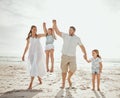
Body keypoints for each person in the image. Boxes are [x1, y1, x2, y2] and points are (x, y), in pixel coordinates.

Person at [52, 20, 87, 89]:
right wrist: (55, 24)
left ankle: (69, 78)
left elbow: (82, 46)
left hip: (72, 57)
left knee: (73, 69)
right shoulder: (65, 35)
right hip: (64, 56)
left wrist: (85, 54)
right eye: (69, 30)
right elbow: (57, 32)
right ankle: (63, 84)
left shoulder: (77, 38)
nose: (69, 31)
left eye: (71, 30)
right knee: (64, 71)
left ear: (74, 31)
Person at [22, 25, 46, 89]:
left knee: (34, 67)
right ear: (31, 29)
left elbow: (46, 34)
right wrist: (23, 54)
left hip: (38, 54)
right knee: (34, 67)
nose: (35, 30)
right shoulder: (29, 38)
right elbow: (26, 47)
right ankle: (39, 79)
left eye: (36, 29)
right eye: (34, 29)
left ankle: (31, 84)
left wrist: (44, 26)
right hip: (31, 54)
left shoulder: (38, 36)